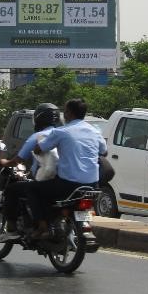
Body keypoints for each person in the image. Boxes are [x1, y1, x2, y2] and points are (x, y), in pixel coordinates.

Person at [25, 98, 107, 239]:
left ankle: (43, 227)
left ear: (69, 113)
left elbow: (39, 149)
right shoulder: (95, 131)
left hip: (68, 184)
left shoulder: (62, 132)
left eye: (65, 111)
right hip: (93, 184)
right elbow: (104, 151)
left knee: (33, 189)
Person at [0, 103, 61, 239]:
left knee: (13, 189)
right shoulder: (61, 134)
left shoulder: (37, 136)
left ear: (38, 119)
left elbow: (18, 159)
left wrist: (4, 162)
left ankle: (12, 228)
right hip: (62, 180)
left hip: (45, 180)